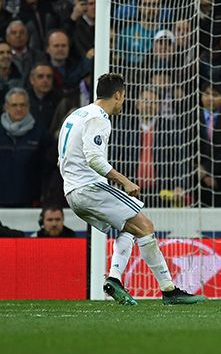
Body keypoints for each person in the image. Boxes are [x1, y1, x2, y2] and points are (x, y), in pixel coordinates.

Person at [58, 73, 205, 305]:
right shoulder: (99, 118)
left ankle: (114, 278)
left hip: (72, 191)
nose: (123, 102)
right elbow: (95, 159)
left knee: (130, 227)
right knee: (145, 226)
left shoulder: (77, 114)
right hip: (89, 188)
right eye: (123, 97)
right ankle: (169, 290)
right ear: (117, 95)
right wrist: (124, 181)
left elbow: (62, 158)